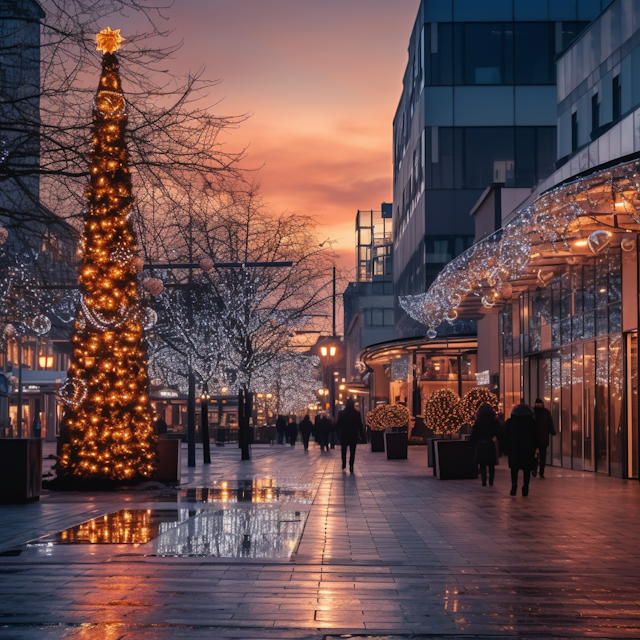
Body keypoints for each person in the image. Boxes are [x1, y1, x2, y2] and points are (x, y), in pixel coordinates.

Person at [504, 403, 538, 497]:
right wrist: (535, 446)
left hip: (514, 448)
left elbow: (505, 435)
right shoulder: (531, 421)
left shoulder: (511, 421)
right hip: (528, 448)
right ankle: (525, 486)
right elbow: (535, 436)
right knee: (526, 469)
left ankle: (514, 485)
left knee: (514, 469)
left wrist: (506, 448)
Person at [469, 403, 502, 487]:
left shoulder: (478, 421)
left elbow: (474, 434)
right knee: (491, 464)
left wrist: (471, 444)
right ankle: (491, 481)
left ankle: (484, 481)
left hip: (481, 444)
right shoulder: (494, 421)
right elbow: (499, 433)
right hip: (490, 443)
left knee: (482, 464)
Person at [335, 398, 364, 473]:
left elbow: (338, 424)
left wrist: (337, 433)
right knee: (352, 451)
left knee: (343, 450)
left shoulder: (341, 413)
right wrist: (361, 434)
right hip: (353, 434)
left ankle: (344, 463)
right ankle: (351, 465)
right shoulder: (357, 413)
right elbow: (359, 425)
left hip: (344, 434)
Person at [533, 398, 556, 478]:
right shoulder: (546, 412)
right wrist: (553, 432)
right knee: (543, 456)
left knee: (535, 455)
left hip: (535, 438)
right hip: (543, 438)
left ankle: (534, 469)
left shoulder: (532, 412)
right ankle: (541, 472)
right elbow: (550, 424)